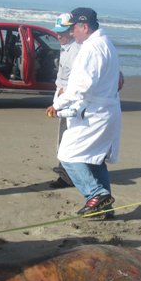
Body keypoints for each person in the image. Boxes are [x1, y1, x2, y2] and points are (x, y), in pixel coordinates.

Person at [46, 8, 122, 219]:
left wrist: (58, 104)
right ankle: (105, 208)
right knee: (94, 159)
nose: (71, 34)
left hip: (96, 113)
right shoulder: (106, 43)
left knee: (68, 154)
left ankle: (96, 194)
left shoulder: (91, 48)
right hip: (105, 110)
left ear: (84, 27)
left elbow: (81, 86)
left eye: (73, 29)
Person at [49, 12, 79, 189]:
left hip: (70, 100)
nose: (58, 35)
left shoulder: (76, 50)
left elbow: (80, 80)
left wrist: (64, 91)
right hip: (62, 97)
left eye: (62, 31)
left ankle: (66, 176)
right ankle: (67, 172)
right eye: (57, 31)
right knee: (64, 136)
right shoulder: (66, 47)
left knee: (67, 137)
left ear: (71, 30)